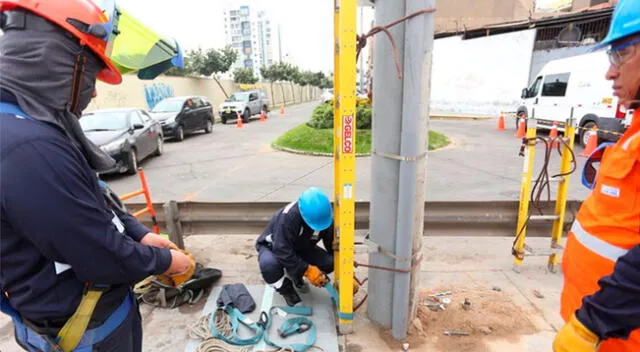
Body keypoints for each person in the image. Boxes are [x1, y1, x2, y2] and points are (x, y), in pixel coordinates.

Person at [0, 1, 194, 351]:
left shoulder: (32, 125)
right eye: (90, 74)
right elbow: (101, 256)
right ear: (57, 61)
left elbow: (93, 196)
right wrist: (167, 260)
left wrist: (139, 234)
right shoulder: (28, 147)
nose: (92, 92)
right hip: (79, 331)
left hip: (86, 318)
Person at [553, 0, 640, 351]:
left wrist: (592, 323)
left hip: (614, 334)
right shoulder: (634, 128)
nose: (610, 72)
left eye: (621, 54)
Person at [255, 187, 335, 306]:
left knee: (330, 262)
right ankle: (287, 290)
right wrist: (307, 270)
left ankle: (295, 275)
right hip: (274, 248)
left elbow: (332, 246)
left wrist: (345, 270)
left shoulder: (324, 218)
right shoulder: (288, 218)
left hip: (301, 247)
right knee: (269, 266)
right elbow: (282, 250)